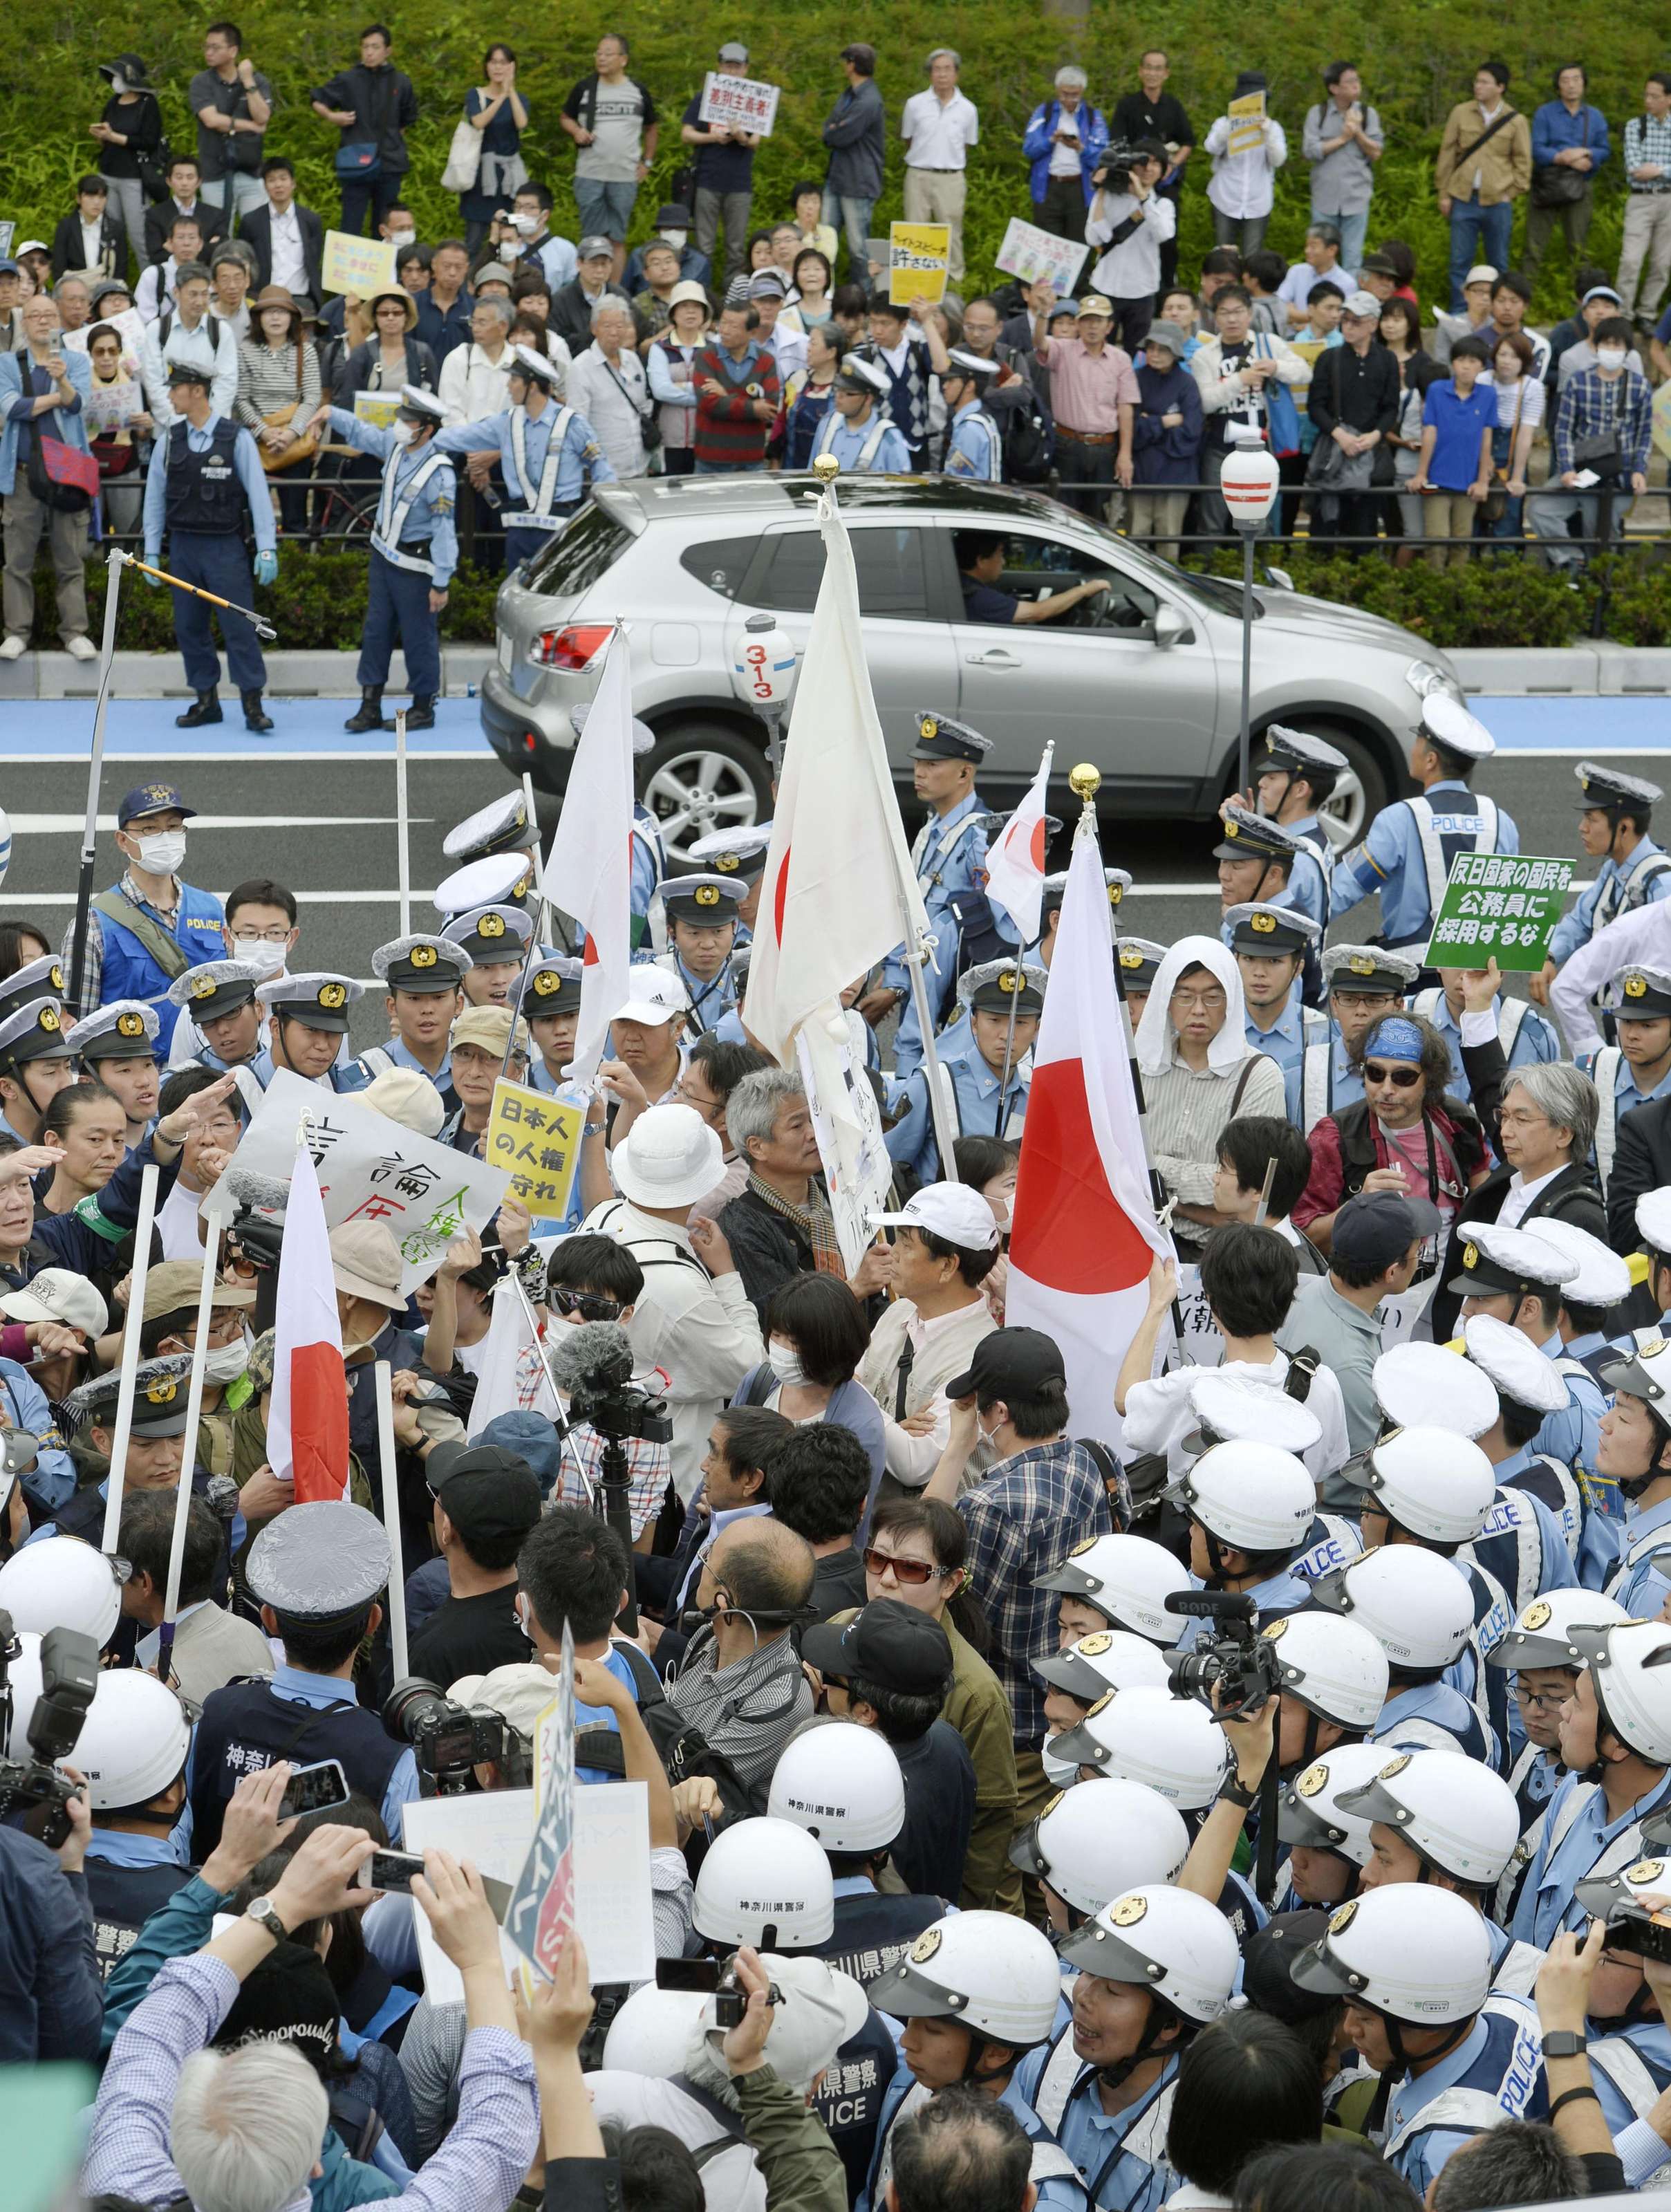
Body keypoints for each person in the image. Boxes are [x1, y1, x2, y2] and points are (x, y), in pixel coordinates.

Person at [924, 1328, 1110, 1798]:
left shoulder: (991, 1505)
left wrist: (956, 1448)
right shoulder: (1092, 1459)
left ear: (999, 1413)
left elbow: (926, 1592)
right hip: (1075, 1714)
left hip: (1008, 1732)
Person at [1291, 1886, 1544, 2193]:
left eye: (1365, 2017)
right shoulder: (1513, 2008)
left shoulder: (1441, 2155)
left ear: (1426, 2023)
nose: (1350, 2028)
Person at [307, 383, 455, 734]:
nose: (400, 425)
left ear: (427, 429)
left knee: (419, 638)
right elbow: (362, 432)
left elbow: (444, 532)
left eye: (409, 420)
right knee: (376, 633)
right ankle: (369, 704)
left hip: (416, 568)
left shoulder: (439, 472)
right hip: (383, 561)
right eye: (400, 417)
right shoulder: (395, 447)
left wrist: (441, 582)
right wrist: (330, 412)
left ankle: (423, 707)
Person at [142, 360, 277, 734]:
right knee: (189, 627)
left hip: (225, 548)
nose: (170, 395)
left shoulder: (237, 438)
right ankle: (206, 701)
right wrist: (152, 550)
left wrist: (267, 547)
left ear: (196, 391)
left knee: (239, 627)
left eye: (176, 388)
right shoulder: (170, 439)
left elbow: (259, 496)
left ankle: (253, 704)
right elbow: (155, 498)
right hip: (184, 547)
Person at [1134, 937, 1286, 1255]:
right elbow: (1118, 1165)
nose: (1199, 1011)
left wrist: (1154, 1173)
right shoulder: (1139, 1068)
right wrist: (1194, 1204)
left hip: (1221, 1253)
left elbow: (1246, 1183)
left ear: (1231, 1001)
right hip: (1141, 1242)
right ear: (1166, 1000)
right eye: (1185, 997)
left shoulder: (1258, 1075)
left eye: (1213, 998)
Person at [1330, 694, 1514, 956]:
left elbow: (1344, 889)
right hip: (1478, 972)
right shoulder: (1500, 821)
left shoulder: (1399, 819)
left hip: (1412, 971)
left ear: (1431, 761)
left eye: (1418, 741)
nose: (1412, 748)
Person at [438, 344, 613, 572]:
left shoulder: (572, 424)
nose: (508, 387)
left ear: (531, 387)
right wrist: (418, 437)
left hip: (562, 527)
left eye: (514, 381)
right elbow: (460, 437)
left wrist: (599, 517)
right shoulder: (506, 423)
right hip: (520, 532)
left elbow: (602, 469)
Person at [0, 293, 95, 664]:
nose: (42, 321)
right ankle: (16, 633)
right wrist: (57, 398)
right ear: (24, 324)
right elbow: (12, 407)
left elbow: (79, 404)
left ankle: (75, 632)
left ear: (58, 321)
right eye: (35, 315)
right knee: (17, 560)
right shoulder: (9, 362)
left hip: (68, 473)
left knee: (70, 558)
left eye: (49, 315)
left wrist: (63, 385)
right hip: (23, 473)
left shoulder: (75, 361)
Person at [1531, 317, 1653, 571]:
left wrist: (1640, 470)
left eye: (1618, 345)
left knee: (1601, 529)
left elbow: (1644, 433)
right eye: (1607, 344)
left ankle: (1603, 588)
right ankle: (1572, 559)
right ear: (1596, 347)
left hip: (1621, 474)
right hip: (1583, 471)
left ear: (1628, 350)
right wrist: (1566, 468)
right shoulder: (1578, 382)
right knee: (1540, 509)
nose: (1612, 350)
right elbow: (1563, 428)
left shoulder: (1640, 387)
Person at [1026, 292, 1137, 519]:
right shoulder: (1063, 349)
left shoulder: (1121, 359)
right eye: (1087, 320)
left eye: (1098, 321)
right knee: (1065, 512)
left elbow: (1125, 408)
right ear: (1078, 324)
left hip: (1105, 446)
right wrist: (1043, 314)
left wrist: (1125, 454)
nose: (1092, 327)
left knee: (1099, 513)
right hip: (1068, 443)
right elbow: (1039, 342)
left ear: (1109, 327)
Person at [1305, 288, 1399, 550]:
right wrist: (1340, 435)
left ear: (1373, 324)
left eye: (1356, 321)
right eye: (1345, 320)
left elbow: (1391, 407)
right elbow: (1316, 406)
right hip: (1333, 454)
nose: (1348, 326)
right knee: (1323, 527)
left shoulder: (1388, 360)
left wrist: (1376, 435)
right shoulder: (1329, 358)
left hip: (1370, 455)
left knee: (1364, 532)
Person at [561, 32, 658, 282]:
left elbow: (651, 128)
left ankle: (612, 292)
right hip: (590, 173)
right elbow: (565, 117)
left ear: (623, 59)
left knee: (617, 238)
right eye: (598, 53)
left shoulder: (637, 91)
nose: (601, 58)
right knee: (592, 238)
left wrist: (647, 162)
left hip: (624, 176)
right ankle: (589, 288)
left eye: (608, 53)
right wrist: (577, 131)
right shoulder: (585, 88)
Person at [1436, 64, 1533, 313]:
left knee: (1498, 262)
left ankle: (1497, 313)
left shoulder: (1516, 120)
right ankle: (1460, 312)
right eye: (1477, 81)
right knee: (1459, 261)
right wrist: (1444, 193)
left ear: (1500, 87)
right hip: (1463, 197)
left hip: (1497, 201)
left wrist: (1510, 192)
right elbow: (1447, 153)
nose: (1478, 86)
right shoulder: (1461, 112)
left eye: (1485, 82)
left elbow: (1523, 162)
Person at [309, 25, 418, 236]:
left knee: (386, 225)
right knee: (351, 224)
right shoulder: (348, 79)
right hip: (356, 162)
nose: (369, 52)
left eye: (375, 47)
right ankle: (348, 269)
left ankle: (383, 269)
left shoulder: (401, 82)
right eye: (365, 47)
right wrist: (333, 117)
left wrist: (392, 141)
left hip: (390, 163)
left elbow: (407, 119)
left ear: (388, 51)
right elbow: (316, 99)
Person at [1407, 335, 1495, 566]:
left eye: (1473, 361)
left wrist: (1482, 480)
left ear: (1482, 366)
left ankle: (1458, 597)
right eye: (1460, 360)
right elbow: (1430, 431)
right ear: (1452, 363)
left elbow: (1487, 439)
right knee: (1436, 542)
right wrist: (1421, 474)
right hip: (1436, 480)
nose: (1466, 366)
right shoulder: (1437, 390)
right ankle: (1436, 596)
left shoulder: (1488, 395)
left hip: (1468, 483)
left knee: (1462, 543)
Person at [1525, 65, 1611, 288]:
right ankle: (1523, 297)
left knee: (1578, 246)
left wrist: (1587, 153)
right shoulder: (1545, 112)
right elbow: (1536, 149)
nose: (1571, 85)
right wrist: (1564, 158)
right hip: (1548, 183)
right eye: (1565, 80)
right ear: (1558, 85)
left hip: (1580, 185)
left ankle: (1582, 301)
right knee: (1534, 245)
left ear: (1584, 83)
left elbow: (1604, 149)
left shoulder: (1595, 116)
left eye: (1576, 79)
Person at [901, 50, 979, 287]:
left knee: (951, 232)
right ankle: (914, 284)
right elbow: (908, 139)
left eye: (948, 69)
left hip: (951, 177)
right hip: (918, 174)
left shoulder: (968, 109)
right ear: (930, 73)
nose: (942, 74)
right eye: (937, 69)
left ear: (956, 73)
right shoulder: (915, 104)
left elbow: (967, 145)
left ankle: (954, 283)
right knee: (915, 232)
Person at [1126, 319, 1201, 561]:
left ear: (1175, 352)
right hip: (1141, 471)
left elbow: (1192, 431)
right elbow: (1130, 428)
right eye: (1151, 348)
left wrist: (1149, 422)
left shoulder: (1187, 383)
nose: (1155, 354)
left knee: (1169, 542)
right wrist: (1165, 421)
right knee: (1136, 539)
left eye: (1162, 349)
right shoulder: (1134, 378)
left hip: (1175, 473)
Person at [1303, 64, 1384, 273]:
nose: (1356, 85)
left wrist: (1357, 132)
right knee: (1320, 256)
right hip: (1324, 197)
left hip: (1356, 196)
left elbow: (1376, 152)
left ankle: (1348, 304)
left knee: (1353, 258)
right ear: (1334, 88)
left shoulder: (1367, 113)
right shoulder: (1317, 113)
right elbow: (1309, 151)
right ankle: (1321, 303)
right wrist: (1342, 139)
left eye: (1357, 80)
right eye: (1349, 81)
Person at [692, 285, 779, 473]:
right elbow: (709, 404)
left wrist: (725, 395)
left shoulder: (766, 361)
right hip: (710, 460)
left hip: (751, 461)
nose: (724, 330)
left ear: (752, 332)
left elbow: (771, 408)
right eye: (723, 323)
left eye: (733, 326)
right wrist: (752, 407)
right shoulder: (705, 356)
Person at [456, 45, 528, 257]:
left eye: (504, 62)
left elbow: (522, 122)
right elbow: (479, 122)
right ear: (486, 66)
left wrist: (510, 91)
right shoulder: (475, 95)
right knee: (474, 239)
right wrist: (500, 96)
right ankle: (468, 284)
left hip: (510, 178)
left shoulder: (519, 98)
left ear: (512, 67)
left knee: (509, 236)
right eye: (494, 62)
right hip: (480, 176)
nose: (498, 67)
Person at [821, 45, 886, 281]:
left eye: (846, 62)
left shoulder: (869, 99)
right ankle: (826, 293)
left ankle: (862, 298)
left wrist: (834, 130)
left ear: (852, 64)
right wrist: (833, 130)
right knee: (826, 242)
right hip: (837, 177)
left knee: (858, 247)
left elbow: (842, 134)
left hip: (858, 181)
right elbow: (829, 128)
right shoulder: (848, 94)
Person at [1204, 71, 1287, 256]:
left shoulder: (1273, 128)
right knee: (1223, 254)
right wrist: (1229, 129)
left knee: (1252, 256)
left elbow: (1278, 160)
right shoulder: (1223, 123)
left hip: (1258, 202)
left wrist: (1268, 136)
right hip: (1225, 197)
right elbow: (1211, 147)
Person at [564, 299, 649, 476]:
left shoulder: (632, 360)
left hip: (639, 464)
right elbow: (577, 425)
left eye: (620, 326)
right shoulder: (581, 367)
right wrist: (595, 466)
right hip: (605, 469)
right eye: (607, 326)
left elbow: (642, 406)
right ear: (594, 328)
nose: (614, 333)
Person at [1618, 73, 1671, 324]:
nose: (1648, 100)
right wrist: (1663, 170)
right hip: (1640, 200)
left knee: (1663, 263)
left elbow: (1649, 171)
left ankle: (1647, 313)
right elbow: (1635, 169)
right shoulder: (1635, 126)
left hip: (1669, 201)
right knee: (1631, 259)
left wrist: (1659, 170)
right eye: (1646, 95)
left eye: (1655, 96)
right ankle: (1624, 314)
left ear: (1669, 99)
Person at [810, 348, 910, 472]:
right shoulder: (827, 424)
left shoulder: (889, 438)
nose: (838, 396)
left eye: (848, 393)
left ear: (868, 399)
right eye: (837, 389)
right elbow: (812, 473)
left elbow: (900, 487)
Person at [52, 174, 124, 284]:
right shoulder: (66, 226)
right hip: (74, 289)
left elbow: (121, 269)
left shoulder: (115, 228)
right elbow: (58, 268)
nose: (97, 202)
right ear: (78, 198)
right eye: (91, 197)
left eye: (101, 197)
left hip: (106, 291)